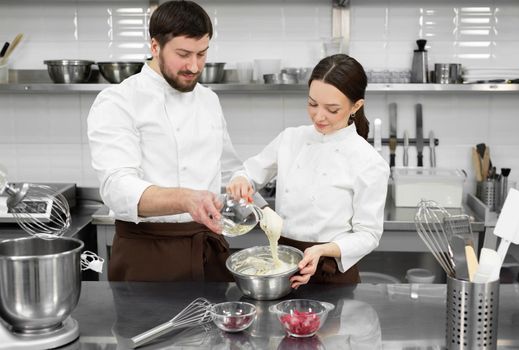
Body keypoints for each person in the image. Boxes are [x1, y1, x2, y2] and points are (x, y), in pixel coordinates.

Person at [87, 1, 244, 282]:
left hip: (208, 251)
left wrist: (252, 196)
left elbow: (231, 170)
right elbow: (117, 187)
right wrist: (185, 199)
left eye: (202, 54)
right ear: (155, 46)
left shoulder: (209, 100)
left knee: (214, 328)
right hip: (147, 254)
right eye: (183, 54)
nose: (194, 66)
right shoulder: (118, 101)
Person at [228, 54, 390, 288]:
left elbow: (368, 234)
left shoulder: (368, 161)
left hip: (331, 272)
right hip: (281, 266)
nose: (319, 116)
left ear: (356, 106)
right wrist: (241, 180)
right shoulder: (291, 139)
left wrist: (323, 250)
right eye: (312, 104)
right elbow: (248, 172)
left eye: (332, 109)